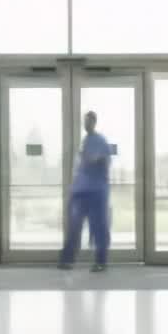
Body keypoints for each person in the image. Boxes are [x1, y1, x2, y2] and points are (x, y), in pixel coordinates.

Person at [59, 111, 113, 272]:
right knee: (74, 226)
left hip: (96, 192)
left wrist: (92, 159)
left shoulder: (101, 141)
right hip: (80, 192)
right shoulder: (85, 141)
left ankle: (101, 262)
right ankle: (67, 259)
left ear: (94, 122)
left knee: (99, 227)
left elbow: (103, 161)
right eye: (85, 121)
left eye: (88, 121)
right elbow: (81, 166)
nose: (86, 124)